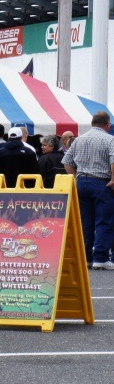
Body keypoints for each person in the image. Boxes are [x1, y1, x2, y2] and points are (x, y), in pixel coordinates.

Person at [62, 111, 114, 270]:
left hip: (82, 181)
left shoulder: (78, 140)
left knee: (86, 221)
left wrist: (76, 177)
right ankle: (101, 257)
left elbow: (67, 161)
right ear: (107, 124)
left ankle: (86, 257)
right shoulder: (110, 139)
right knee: (104, 220)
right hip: (101, 182)